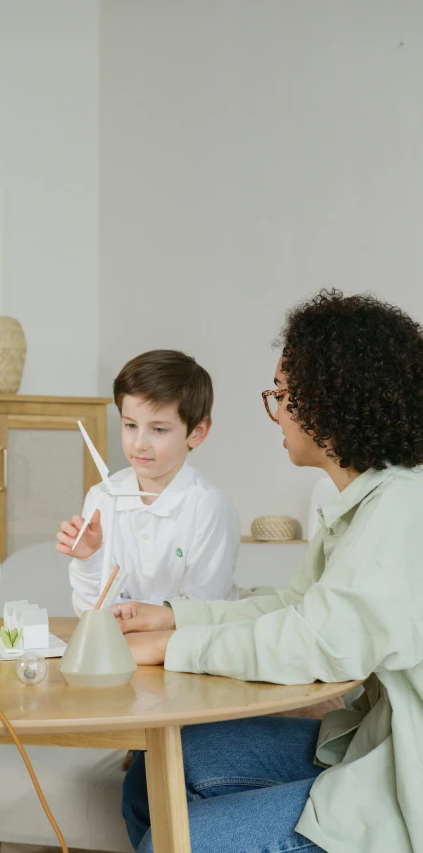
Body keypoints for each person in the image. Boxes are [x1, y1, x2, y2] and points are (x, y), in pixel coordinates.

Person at [114, 291, 423, 853]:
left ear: (327, 404)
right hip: (369, 746)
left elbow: (319, 642)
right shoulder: (365, 502)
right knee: (158, 765)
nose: (276, 411)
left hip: (404, 784)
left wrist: (174, 649)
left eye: (281, 395)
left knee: (174, 841)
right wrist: (172, 618)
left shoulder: (401, 509)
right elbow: (295, 607)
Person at [57, 349, 239, 613]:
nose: (139, 444)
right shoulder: (101, 497)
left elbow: (203, 612)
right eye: (130, 425)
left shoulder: (209, 506)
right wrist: (89, 559)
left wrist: (128, 611)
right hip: (121, 645)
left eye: (159, 429)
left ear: (197, 432)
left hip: (188, 649)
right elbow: (90, 611)